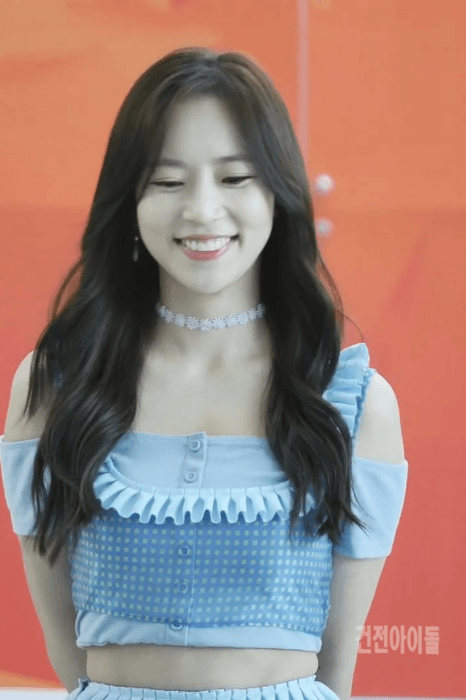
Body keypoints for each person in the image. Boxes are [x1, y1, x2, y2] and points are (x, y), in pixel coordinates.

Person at [0, 47, 408, 700]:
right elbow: (64, 644)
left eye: (235, 177)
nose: (201, 210)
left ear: (278, 194)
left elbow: (337, 662)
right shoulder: (56, 386)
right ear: (129, 201)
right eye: (167, 182)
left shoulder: (351, 403)